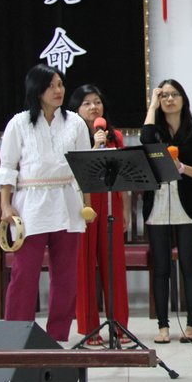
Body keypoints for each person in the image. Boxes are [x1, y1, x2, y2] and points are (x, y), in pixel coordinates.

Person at [0, 64, 91, 342]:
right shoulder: (19, 123)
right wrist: (5, 206)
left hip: (67, 202)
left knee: (65, 275)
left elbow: (85, 167)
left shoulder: (75, 123)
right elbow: (7, 167)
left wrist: (87, 204)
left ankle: (57, 335)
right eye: (51, 86)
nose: (58, 90)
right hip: (30, 205)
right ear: (37, 90)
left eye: (60, 84)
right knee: (24, 273)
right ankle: (16, 335)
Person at [140, 79, 192, 344]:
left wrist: (182, 168)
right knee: (161, 266)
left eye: (174, 95)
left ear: (183, 99)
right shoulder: (155, 132)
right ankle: (163, 327)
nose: (169, 100)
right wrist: (151, 105)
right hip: (158, 202)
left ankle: (191, 325)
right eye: (164, 96)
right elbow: (145, 140)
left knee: (188, 263)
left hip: (187, 203)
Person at [68, 84, 131, 346]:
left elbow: (123, 175)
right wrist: (94, 147)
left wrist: (125, 208)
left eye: (97, 102)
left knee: (114, 263)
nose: (94, 107)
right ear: (76, 109)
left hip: (110, 201)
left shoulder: (115, 136)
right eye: (86, 103)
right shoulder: (71, 134)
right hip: (82, 203)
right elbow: (74, 172)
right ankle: (89, 328)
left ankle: (120, 326)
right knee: (84, 265)